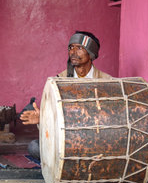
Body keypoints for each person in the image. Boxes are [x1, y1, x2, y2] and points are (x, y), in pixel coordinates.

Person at [20, 31, 112, 160]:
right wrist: (42, 119)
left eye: (79, 48)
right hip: (66, 142)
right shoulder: (58, 81)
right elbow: (52, 121)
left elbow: (112, 119)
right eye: (71, 47)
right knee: (35, 147)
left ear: (91, 53)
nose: (73, 52)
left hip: (94, 142)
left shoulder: (107, 82)